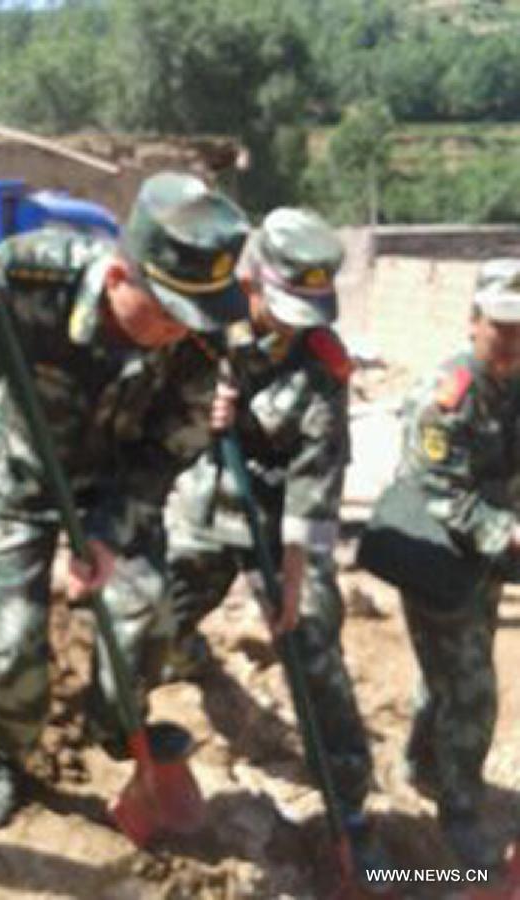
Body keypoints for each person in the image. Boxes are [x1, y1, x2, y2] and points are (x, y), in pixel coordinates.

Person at [0, 171, 249, 829]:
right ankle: (5, 756)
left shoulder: (200, 330)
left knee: (146, 610)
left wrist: (105, 535)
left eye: (192, 317)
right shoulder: (26, 280)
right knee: (14, 645)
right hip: (22, 481)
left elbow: (170, 447)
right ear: (119, 276)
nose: (181, 332)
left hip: (117, 485)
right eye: (166, 313)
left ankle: (116, 723)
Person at [162, 208, 383, 873]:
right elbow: (143, 419)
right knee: (147, 619)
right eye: (280, 305)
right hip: (202, 499)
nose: (290, 324)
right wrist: (200, 414)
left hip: (279, 516)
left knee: (312, 634)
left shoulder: (321, 365)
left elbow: (316, 482)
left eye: (304, 311)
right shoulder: (197, 322)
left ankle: (348, 809)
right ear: (250, 280)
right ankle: (175, 662)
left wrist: (288, 585)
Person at [394, 258, 520, 871]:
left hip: (486, 559)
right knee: (471, 690)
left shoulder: (514, 385)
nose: (514, 341)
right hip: (434, 553)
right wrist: (512, 533)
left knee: (446, 674)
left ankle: (422, 764)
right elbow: (440, 497)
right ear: (473, 322)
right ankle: (461, 809)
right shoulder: (446, 398)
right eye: (503, 327)